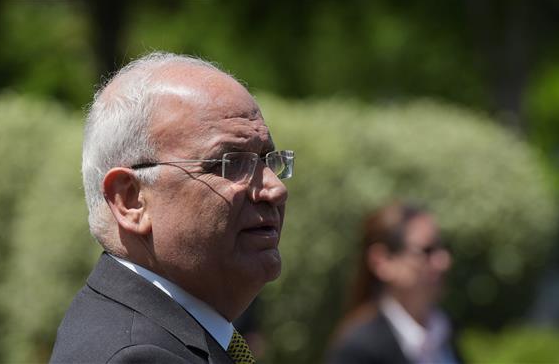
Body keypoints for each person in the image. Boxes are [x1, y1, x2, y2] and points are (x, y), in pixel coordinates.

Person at [50, 52, 294, 363]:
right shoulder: (139, 357)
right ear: (131, 200)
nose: (275, 188)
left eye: (266, 160)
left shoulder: (173, 336)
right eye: (231, 162)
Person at [327, 202, 462, 364]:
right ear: (382, 261)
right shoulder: (358, 350)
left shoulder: (443, 331)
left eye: (441, 249)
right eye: (427, 250)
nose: (444, 261)